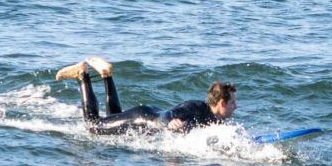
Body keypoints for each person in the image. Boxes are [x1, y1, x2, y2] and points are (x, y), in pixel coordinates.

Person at [55, 58, 238, 133]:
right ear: (222, 102)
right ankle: (82, 75)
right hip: (143, 117)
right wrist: (171, 121)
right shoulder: (197, 107)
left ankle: (106, 74)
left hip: (147, 115)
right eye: (233, 103)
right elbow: (171, 114)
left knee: (113, 118)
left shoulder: (216, 121)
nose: (235, 107)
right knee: (93, 126)